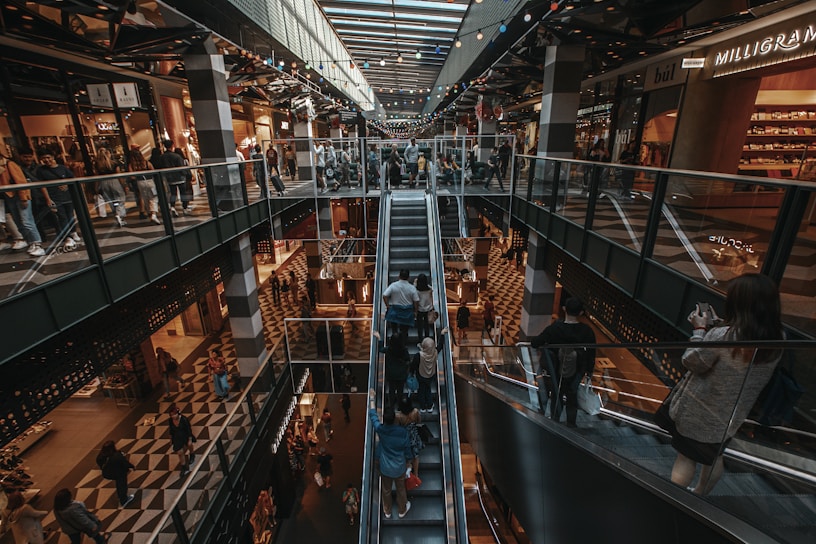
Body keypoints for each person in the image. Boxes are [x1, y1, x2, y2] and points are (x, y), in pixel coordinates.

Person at [667, 274, 783, 495]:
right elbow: (742, 340)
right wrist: (718, 325)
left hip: (700, 410)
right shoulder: (778, 338)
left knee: (686, 457)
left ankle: (674, 499)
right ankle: (700, 493)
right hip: (731, 416)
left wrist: (700, 332)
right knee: (714, 456)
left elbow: (692, 361)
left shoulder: (724, 336)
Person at [530, 297, 597, 427]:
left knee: (557, 392)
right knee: (572, 394)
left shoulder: (555, 329)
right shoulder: (587, 331)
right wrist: (589, 371)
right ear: (580, 313)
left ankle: (555, 421)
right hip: (577, 369)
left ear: (564, 309)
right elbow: (591, 353)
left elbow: (535, 343)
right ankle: (571, 424)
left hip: (556, 369)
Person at [369, 389, 413, 519]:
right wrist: (409, 462)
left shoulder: (381, 430)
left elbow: (373, 416)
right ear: (395, 419)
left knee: (386, 490)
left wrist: (372, 399)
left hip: (385, 466)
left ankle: (387, 511)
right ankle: (402, 509)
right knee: (400, 489)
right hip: (399, 466)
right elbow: (407, 449)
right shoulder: (402, 432)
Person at [0, 153, 45, 256]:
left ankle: (37, 244)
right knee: (18, 222)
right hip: (9, 197)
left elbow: (20, 181)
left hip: (19, 196)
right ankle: (31, 242)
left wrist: (24, 197)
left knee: (26, 221)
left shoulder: (9, 164)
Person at [36, 148, 80, 250]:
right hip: (54, 198)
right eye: (44, 158)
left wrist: (67, 185)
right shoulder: (41, 171)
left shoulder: (62, 168)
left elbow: (72, 178)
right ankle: (68, 237)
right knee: (62, 217)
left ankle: (73, 232)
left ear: (53, 157)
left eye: (48, 157)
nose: (47, 160)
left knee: (70, 216)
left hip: (67, 197)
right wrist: (48, 199)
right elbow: (42, 186)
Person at [373, 330, 409, 408]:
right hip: (401, 374)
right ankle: (400, 406)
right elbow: (407, 360)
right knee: (400, 391)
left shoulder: (389, 349)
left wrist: (379, 338)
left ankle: (391, 406)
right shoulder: (404, 350)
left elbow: (381, 349)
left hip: (391, 374)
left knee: (391, 390)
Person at [416, 328, 449, 413]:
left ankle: (423, 407)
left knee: (421, 390)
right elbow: (440, 346)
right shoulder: (435, 353)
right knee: (428, 389)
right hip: (430, 375)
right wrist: (442, 334)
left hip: (421, 375)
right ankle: (430, 406)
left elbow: (414, 365)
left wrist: (412, 372)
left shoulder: (419, 355)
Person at [94, 147, 128, 227]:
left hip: (103, 183)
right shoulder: (114, 163)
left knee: (111, 200)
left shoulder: (98, 165)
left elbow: (96, 177)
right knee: (120, 198)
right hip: (114, 181)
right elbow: (119, 175)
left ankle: (116, 214)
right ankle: (119, 214)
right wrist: (124, 185)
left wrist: (96, 187)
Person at [96, 440, 135, 507]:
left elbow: (99, 463)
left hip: (108, 473)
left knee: (119, 484)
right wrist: (132, 466)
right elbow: (125, 463)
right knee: (122, 485)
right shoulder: (117, 456)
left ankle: (120, 495)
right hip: (119, 473)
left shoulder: (101, 455)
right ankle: (124, 500)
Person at [155, 140, 190, 216]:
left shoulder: (162, 157)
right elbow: (181, 167)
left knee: (173, 193)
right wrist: (185, 174)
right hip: (179, 177)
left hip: (169, 178)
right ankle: (184, 208)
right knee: (183, 193)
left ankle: (173, 206)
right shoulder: (177, 156)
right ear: (172, 146)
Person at [127, 149, 160, 224]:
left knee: (145, 198)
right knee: (153, 197)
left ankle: (149, 213)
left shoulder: (131, 165)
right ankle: (153, 214)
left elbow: (132, 176)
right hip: (150, 181)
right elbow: (153, 171)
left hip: (140, 182)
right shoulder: (146, 162)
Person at [382, 269, 419, 338]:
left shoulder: (393, 285)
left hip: (395, 311)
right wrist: (415, 311)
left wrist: (388, 306)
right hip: (407, 312)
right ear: (408, 277)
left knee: (394, 330)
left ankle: (395, 342)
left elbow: (385, 295)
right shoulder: (412, 288)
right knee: (404, 330)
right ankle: (403, 344)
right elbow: (416, 300)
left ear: (399, 276)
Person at [395, 396, 422, 479]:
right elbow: (419, 421)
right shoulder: (415, 412)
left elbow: (397, 426)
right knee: (416, 455)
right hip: (414, 435)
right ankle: (416, 474)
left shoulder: (398, 415)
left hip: (404, 436)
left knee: (405, 455)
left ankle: (407, 471)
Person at [168, 405, 196, 476]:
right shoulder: (170, 421)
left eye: (174, 414)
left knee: (189, 445)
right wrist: (171, 439)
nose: (173, 416)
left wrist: (189, 439)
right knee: (180, 452)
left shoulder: (184, 419)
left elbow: (188, 429)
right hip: (177, 438)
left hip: (185, 436)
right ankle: (183, 466)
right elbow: (171, 430)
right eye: (172, 415)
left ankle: (192, 454)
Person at [414, 273, 434, 340]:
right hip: (428, 309)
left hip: (420, 309)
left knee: (420, 326)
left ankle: (420, 339)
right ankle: (427, 339)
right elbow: (431, 297)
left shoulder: (417, 290)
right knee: (426, 325)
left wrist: (415, 311)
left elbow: (416, 301)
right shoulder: (429, 288)